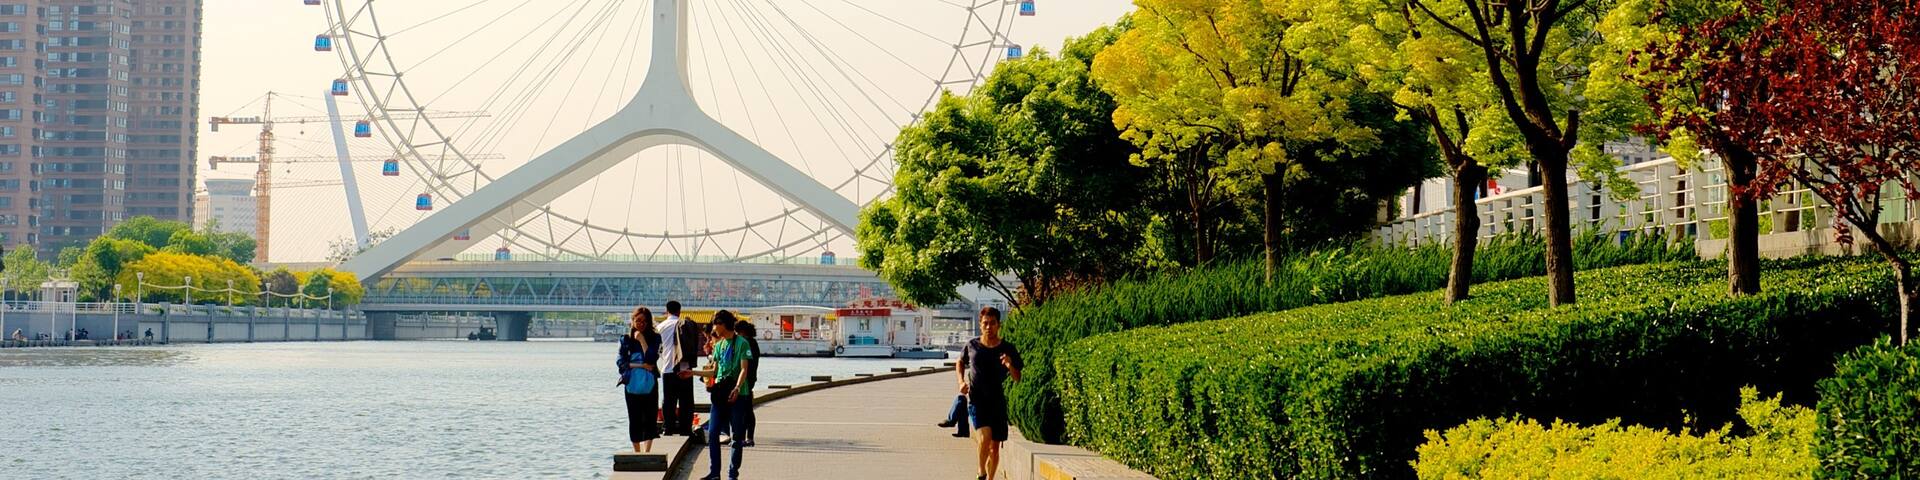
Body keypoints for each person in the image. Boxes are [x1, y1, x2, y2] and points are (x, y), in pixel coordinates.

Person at [959, 306, 1022, 480]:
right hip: (977, 400)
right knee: (985, 437)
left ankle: (990, 478)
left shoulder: (1008, 348)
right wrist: (961, 381)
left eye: (992, 323)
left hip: (997, 402)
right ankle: (981, 471)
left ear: (998, 325)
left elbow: (1017, 378)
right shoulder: (972, 345)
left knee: (995, 448)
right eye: (985, 323)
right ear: (980, 324)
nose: (989, 327)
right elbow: (959, 362)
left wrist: (1010, 365)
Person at [689, 310, 753, 480]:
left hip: (738, 395)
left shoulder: (742, 343)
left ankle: (733, 474)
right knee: (713, 432)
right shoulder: (718, 345)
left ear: (723, 324)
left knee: (737, 436)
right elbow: (714, 371)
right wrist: (693, 373)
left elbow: (744, 370)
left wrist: (738, 388)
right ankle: (715, 472)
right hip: (720, 394)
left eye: (716, 324)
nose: (714, 329)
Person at [618, 307, 663, 453]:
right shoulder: (625, 339)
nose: (641, 324)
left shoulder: (655, 338)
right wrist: (641, 365)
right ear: (632, 321)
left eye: (644, 321)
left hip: (650, 384)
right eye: (638, 320)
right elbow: (621, 363)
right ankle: (637, 451)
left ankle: (647, 451)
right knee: (634, 418)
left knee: (650, 417)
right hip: (632, 384)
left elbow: (652, 358)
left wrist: (642, 340)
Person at [657, 300, 701, 436]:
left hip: (667, 368)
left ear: (667, 311)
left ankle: (668, 428)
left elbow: (658, 348)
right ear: (679, 311)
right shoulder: (686, 325)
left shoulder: (661, 327)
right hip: (685, 369)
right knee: (686, 401)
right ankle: (685, 429)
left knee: (668, 400)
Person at [733, 320, 762, 447]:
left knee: (746, 410)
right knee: (746, 409)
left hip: (747, 379)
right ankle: (746, 437)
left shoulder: (748, 343)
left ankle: (747, 437)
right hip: (749, 378)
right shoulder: (751, 342)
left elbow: (748, 364)